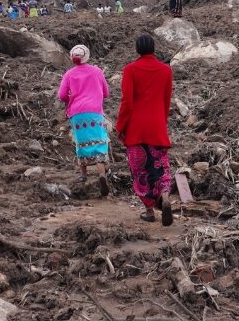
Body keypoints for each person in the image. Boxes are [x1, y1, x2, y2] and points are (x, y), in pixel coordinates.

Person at [116, 34, 174, 226]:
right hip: (157, 127)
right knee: (160, 166)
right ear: (154, 48)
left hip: (136, 129)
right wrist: (161, 123)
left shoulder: (130, 70)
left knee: (140, 172)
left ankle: (149, 211)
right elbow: (166, 101)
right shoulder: (166, 70)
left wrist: (120, 127)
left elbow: (127, 102)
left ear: (137, 49)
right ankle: (165, 197)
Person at [58, 45, 111, 197]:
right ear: (87, 56)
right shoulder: (97, 71)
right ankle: (101, 173)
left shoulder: (69, 74)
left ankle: (83, 174)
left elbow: (62, 95)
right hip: (94, 112)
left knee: (81, 142)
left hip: (77, 113)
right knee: (99, 141)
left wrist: (72, 98)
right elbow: (106, 93)